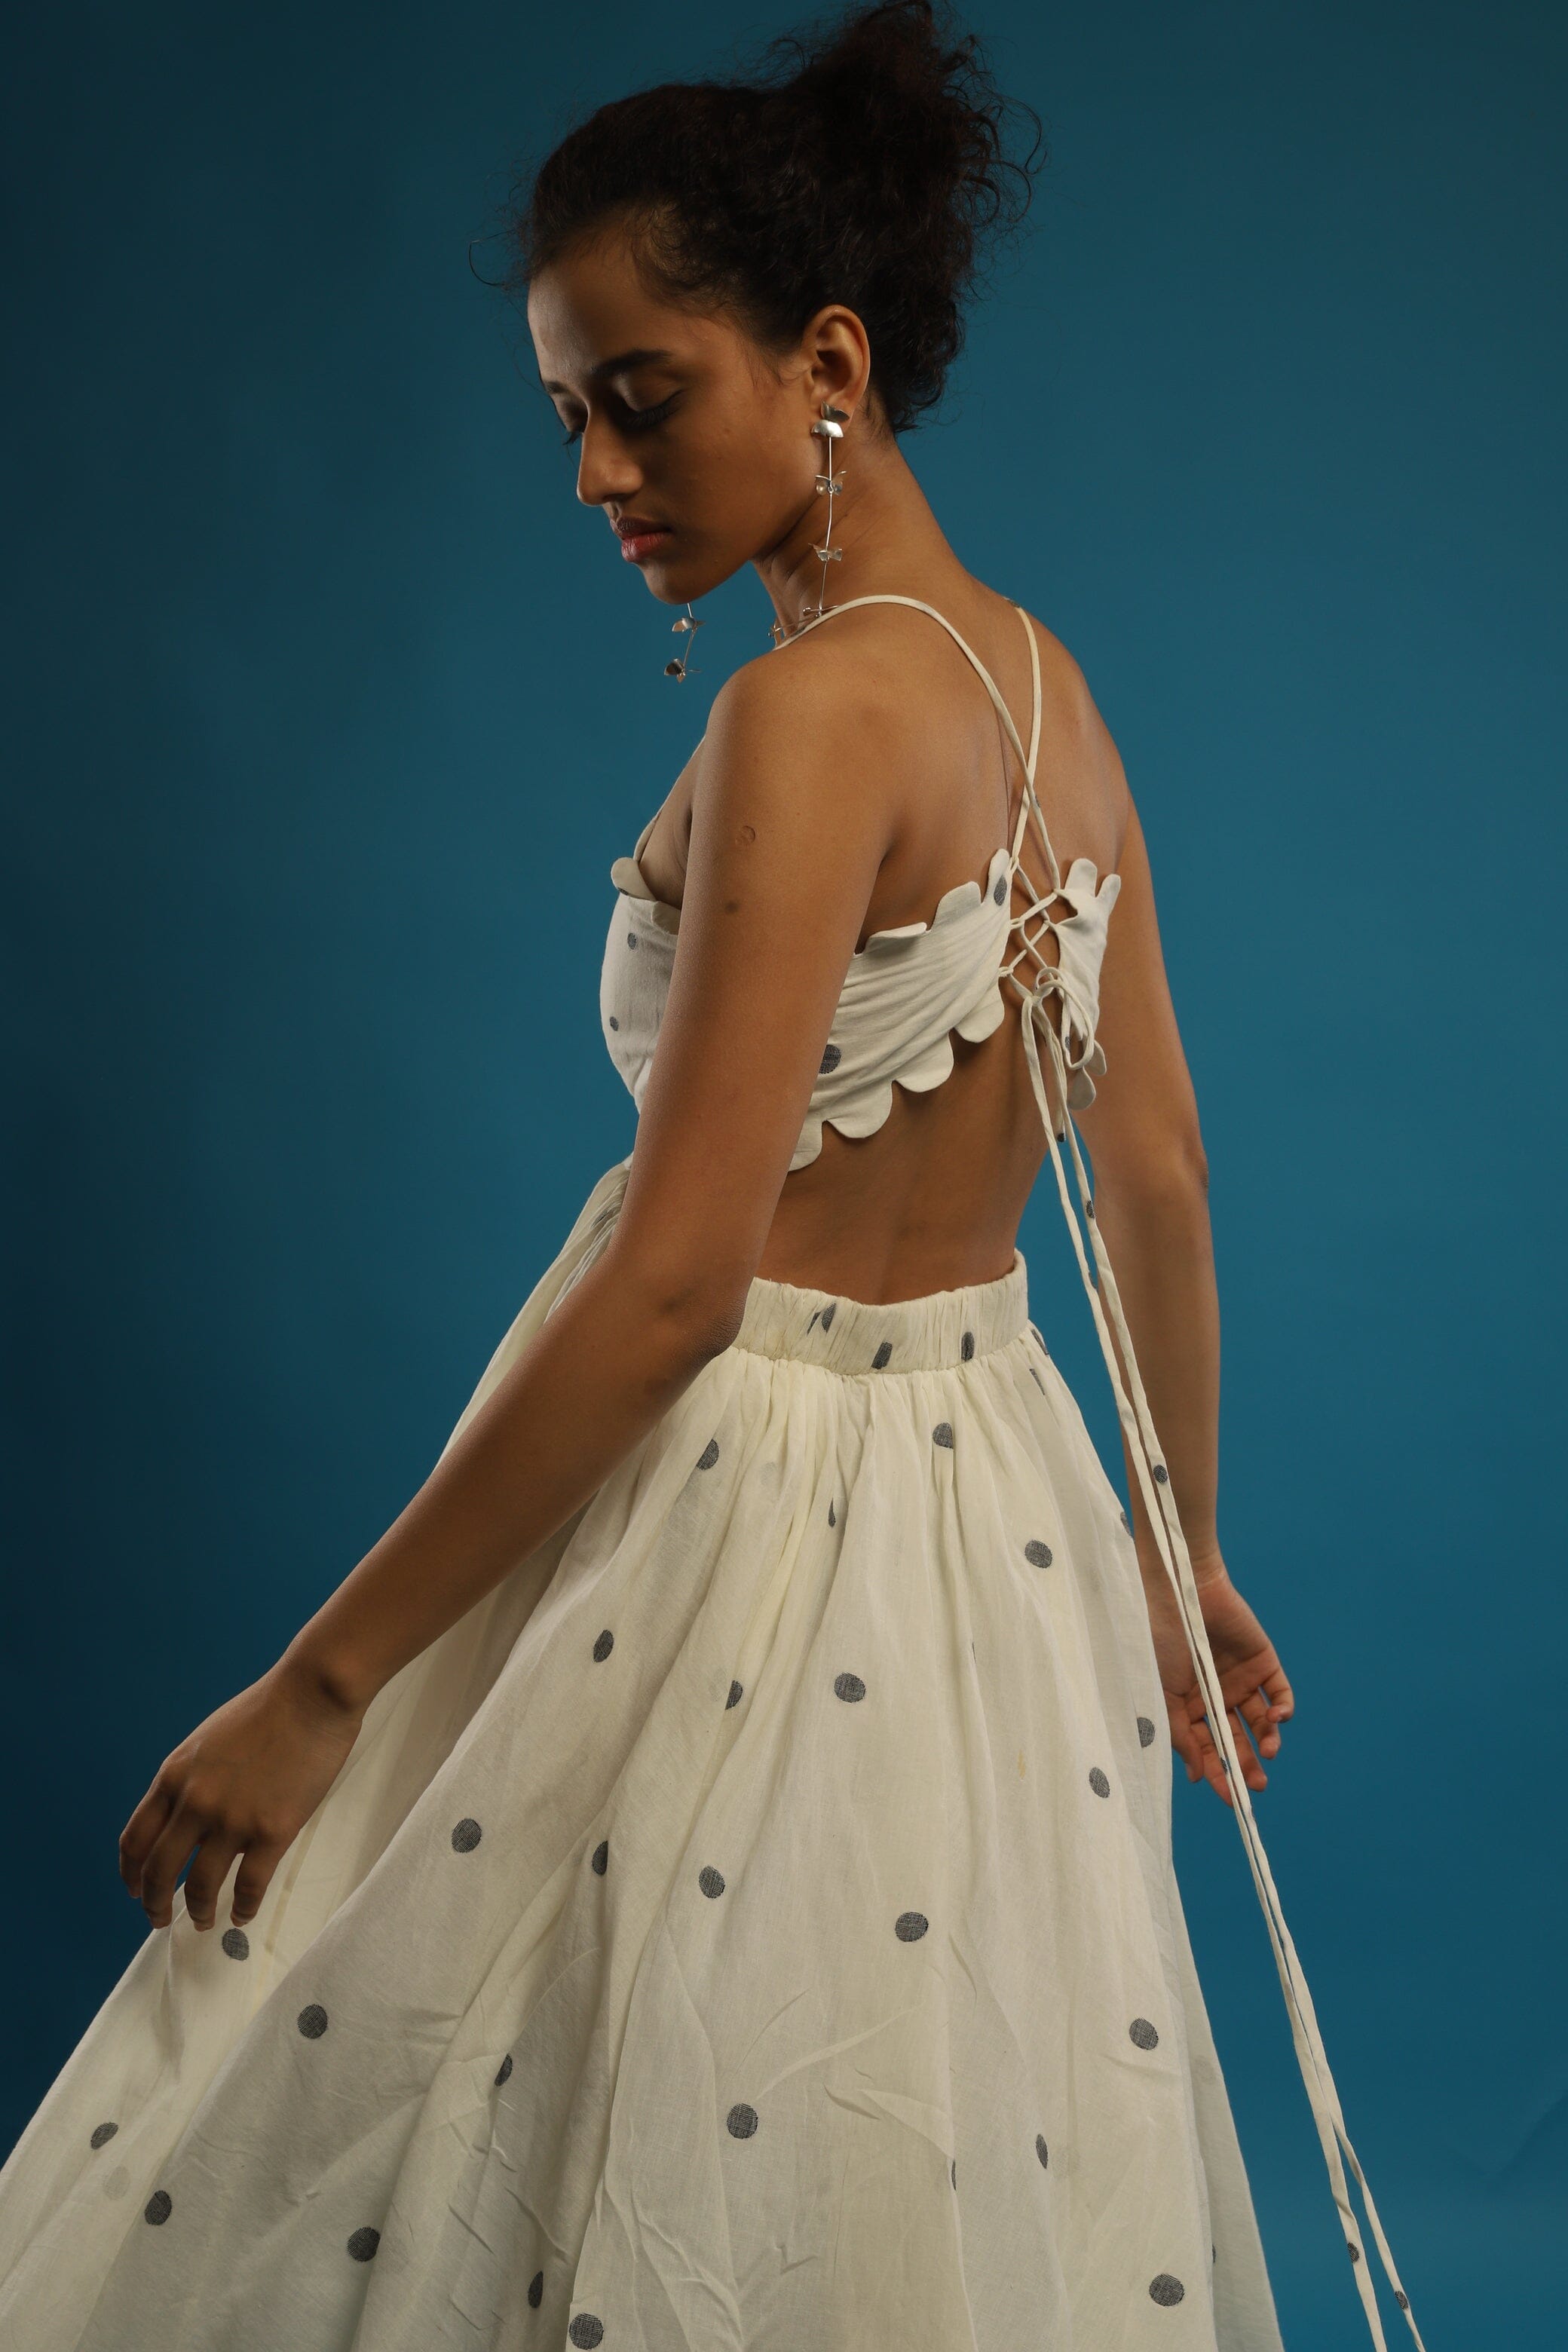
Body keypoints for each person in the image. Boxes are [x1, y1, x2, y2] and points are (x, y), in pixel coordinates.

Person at [0, 5, 1423, 2346]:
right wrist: (1182, 1555)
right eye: (568, 414)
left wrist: (322, 1685)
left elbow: (678, 1285)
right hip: (994, 1499)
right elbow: (1158, 1171)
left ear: (826, 362)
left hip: (734, 1503)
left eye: (639, 397)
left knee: (543, 2107)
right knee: (891, 2118)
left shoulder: (816, 711)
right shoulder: (1043, 685)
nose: (594, 470)